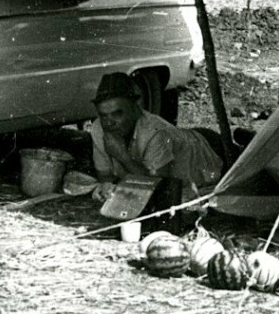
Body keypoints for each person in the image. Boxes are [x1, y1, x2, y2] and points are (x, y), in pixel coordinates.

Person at [88, 72, 224, 215]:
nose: (109, 123)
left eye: (117, 114)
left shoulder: (155, 132)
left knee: (241, 158)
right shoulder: (98, 128)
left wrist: (123, 157)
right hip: (182, 140)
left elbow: (158, 187)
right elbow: (105, 177)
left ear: (135, 109)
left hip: (207, 148)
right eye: (104, 115)